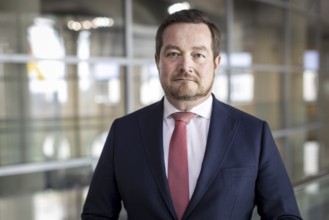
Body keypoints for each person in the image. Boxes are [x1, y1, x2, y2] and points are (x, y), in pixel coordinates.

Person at [81, 9, 302, 220]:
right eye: (173, 53)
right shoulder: (124, 132)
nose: (186, 65)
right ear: (158, 60)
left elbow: (284, 215)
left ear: (216, 63)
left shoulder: (254, 134)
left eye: (198, 55)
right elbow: (97, 214)